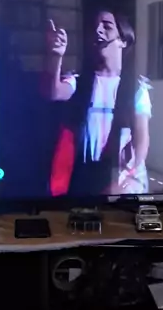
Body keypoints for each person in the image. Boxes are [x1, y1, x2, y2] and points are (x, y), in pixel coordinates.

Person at [47, 11, 151, 196]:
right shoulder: (80, 81)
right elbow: (54, 92)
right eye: (95, 27)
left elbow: (142, 136)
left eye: (107, 26)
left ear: (123, 40)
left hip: (123, 174)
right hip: (87, 173)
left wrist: (130, 174)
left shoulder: (136, 88)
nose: (98, 31)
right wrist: (57, 57)